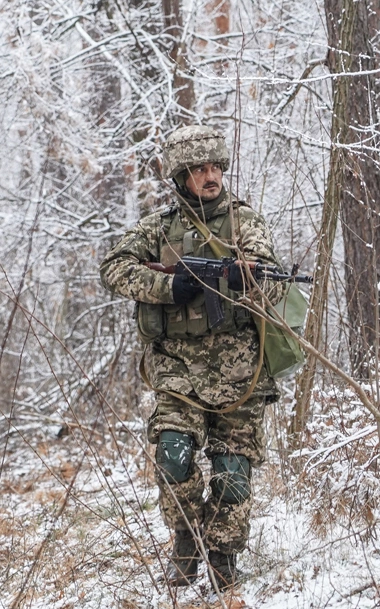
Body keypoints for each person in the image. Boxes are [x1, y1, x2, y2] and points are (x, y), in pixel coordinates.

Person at [99, 126, 283, 591]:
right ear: (182, 177)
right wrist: (166, 287)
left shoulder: (245, 223)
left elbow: (277, 281)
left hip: (240, 370)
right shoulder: (159, 227)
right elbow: (113, 267)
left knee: (233, 469)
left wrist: (249, 281)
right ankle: (185, 539)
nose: (210, 176)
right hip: (176, 370)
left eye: (215, 167)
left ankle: (222, 558)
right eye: (199, 169)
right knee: (173, 454)